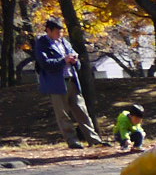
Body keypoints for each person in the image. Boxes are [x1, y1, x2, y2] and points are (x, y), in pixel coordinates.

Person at [31, 19, 104, 149]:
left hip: (72, 80)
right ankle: (72, 141)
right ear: (48, 30)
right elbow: (45, 64)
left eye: (62, 31)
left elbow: (77, 64)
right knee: (63, 114)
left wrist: (75, 61)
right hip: (56, 83)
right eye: (57, 32)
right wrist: (63, 60)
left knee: (82, 111)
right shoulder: (42, 43)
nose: (60, 34)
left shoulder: (65, 42)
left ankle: (94, 139)